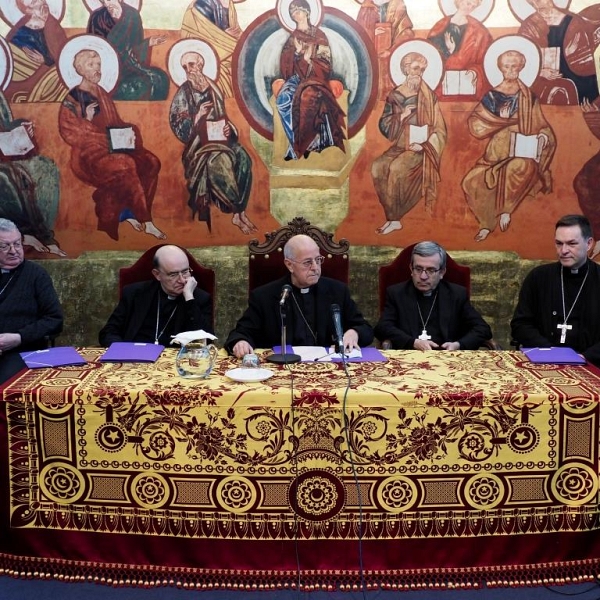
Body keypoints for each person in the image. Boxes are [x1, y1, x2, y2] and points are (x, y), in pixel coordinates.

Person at [58, 48, 165, 242]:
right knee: (125, 164)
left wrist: (129, 132)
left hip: (113, 147)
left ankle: (129, 212)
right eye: (91, 65)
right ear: (80, 70)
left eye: (98, 64)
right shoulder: (73, 97)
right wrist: (88, 120)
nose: (97, 69)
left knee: (151, 162)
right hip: (88, 155)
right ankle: (145, 219)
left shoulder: (102, 93)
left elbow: (114, 123)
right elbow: (69, 131)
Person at [225, 234, 373, 357]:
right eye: (308, 262)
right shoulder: (264, 296)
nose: (315, 267)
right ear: (289, 265)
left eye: (318, 260)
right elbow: (241, 332)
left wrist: (355, 333)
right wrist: (241, 342)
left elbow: (365, 328)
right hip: (281, 371)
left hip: (329, 369)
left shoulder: (337, 291)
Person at [461, 50, 556, 242]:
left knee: (521, 167)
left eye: (515, 66)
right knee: (471, 182)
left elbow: (543, 126)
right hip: (494, 155)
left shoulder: (528, 97)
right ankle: (486, 223)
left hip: (522, 153)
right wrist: (500, 119)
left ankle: (506, 211)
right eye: (507, 66)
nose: (511, 70)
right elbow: (476, 124)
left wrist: (543, 139)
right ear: (500, 68)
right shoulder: (492, 96)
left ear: (521, 67)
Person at [169, 51, 255, 235]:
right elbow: (177, 123)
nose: (189, 70)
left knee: (244, 158)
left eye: (191, 64)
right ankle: (236, 210)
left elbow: (223, 116)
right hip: (199, 145)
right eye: (185, 67)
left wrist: (228, 130)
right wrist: (197, 116)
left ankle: (240, 212)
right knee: (220, 161)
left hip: (221, 139)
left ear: (201, 64)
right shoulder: (184, 92)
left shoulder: (214, 88)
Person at [371, 51, 447, 236]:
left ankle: (395, 219)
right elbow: (384, 123)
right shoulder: (395, 94)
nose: (418, 73)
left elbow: (440, 128)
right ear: (405, 69)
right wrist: (402, 115)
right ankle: (391, 216)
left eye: (422, 69)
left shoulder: (429, 96)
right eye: (415, 68)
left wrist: (424, 145)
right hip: (400, 144)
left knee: (397, 169)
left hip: (420, 147)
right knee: (378, 167)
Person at [511, 214, 600, 366]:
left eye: (571, 244)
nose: (563, 250)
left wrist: (584, 357)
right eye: (559, 243)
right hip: (542, 362)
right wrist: (550, 353)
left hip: (592, 364)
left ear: (589, 243)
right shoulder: (538, 277)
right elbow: (520, 324)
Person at [375, 241, 492, 350]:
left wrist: (458, 345)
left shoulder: (456, 294)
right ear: (411, 269)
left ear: (442, 272)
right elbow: (382, 328)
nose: (423, 276)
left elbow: (483, 329)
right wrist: (413, 342)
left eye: (431, 270)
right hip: (409, 359)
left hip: (448, 360)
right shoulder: (397, 293)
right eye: (418, 269)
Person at [99, 245, 213, 347]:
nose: (182, 280)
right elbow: (108, 332)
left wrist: (189, 298)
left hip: (175, 363)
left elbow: (206, 340)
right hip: (134, 360)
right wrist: (125, 351)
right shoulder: (134, 293)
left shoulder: (200, 298)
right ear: (157, 274)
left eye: (185, 272)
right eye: (173, 274)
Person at [275, 0, 346, 161]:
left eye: (298, 11)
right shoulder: (293, 38)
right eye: (292, 12)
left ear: (307, 12)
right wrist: (297, 53)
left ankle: (309, 142)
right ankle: (296, 142)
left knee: (307, 99)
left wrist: (309, 60)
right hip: (297, 79)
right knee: (282, 100)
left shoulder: (319, 36)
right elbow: (285, 64)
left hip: (315, 80)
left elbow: (326, 64)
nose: (295, 15)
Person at [0, 91, 65, 256]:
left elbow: (6, 125)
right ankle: (24, 234)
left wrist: (21, 129)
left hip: (4, 154)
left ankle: (43, 234)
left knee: (45, 166)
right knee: (10, 176)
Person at [0, 218, 63, 384]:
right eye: (5, 246)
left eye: (17, 244)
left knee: (6, 384)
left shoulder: (36, 275)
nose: (13, 251)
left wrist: (18, 337)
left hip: (24, 351)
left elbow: (54, 320)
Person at [518, 0, 599, 105]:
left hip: (576, 73)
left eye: (538, 0)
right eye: (531, 2)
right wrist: (540, 71)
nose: (536, 4)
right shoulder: (529, 25)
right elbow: (521, 56)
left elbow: (585, 56)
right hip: (544, 76)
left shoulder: (574, 21)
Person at [86, 0, 169, 101]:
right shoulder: (96, 18)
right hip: (107, 69)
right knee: (134, 87)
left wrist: (148, 43)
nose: (106, 4)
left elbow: (136, 46)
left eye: (108, 0)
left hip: (130, 67)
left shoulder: (132, 15)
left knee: (159, 78)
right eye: (103, 1)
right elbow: (92, 49)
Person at [5, 0, 68, 103]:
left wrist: (45, 60)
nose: (42, 3)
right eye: (35, 1)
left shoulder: (54, 28)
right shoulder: (19, 31)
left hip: (48, 78)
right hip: (23, 80)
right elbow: (9, 58)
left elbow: (63, 59)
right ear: (27, 10)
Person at [427, 0, 492, 100]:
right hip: (443, 80)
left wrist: (475, 72)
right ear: (460, 1)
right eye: (468, 3)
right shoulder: (441, 25)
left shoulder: (480, 30)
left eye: (474, 6)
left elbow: (486, 60)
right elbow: (430, 55)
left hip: (468, 81)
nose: (470, 8)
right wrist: (448, 50)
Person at [180, 0, 242, 98]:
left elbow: (236, 34)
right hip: (210, 62)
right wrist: (226, 37)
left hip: (228, 58)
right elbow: (195, 42)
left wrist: (233, 38)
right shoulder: (201, 6)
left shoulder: (229, 7)